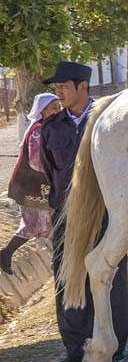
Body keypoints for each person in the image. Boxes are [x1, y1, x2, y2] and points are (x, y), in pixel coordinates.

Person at [41, 61, 128, 362]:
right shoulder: (51, 127)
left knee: (111, 275)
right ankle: (74, 347)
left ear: (83, 87)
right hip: (66, 212)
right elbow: (51, 172)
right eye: (56, 87)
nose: (58, 92)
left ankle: (114, 343)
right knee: (66, 276)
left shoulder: (110, 122)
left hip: (106, 209)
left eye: (64, 86)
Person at [1, 93, 61, 274]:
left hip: (37, 187)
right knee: (37, 225)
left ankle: (58, 261)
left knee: (48, 224)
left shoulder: (47, 128)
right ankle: (5, 254)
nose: (58, 111)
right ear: (42, 111)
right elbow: (36, 161)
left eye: (59, 107)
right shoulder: (38, 130)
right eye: (53, 108)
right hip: (31, 187)